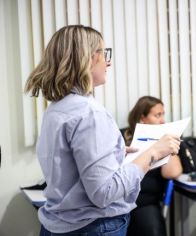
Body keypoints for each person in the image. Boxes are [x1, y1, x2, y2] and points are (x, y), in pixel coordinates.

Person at [24, 25, 180, 235]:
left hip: (59, 225)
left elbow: (70, 160)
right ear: (87, 58)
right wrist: (152, 154)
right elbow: (104, 193)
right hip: (92, 228)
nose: (108, 61)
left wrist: (113, 152)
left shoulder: (57, 108)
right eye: (103, 53)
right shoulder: (89, 113)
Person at [124, 96, 183, 236]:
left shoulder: (164, 141)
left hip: (145, 203)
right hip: (119, 200)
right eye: (157, 115)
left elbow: (173, 173)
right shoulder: (123, 136)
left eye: (163, 114)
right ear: (142, 118)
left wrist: (169, 144)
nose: (163, 120)